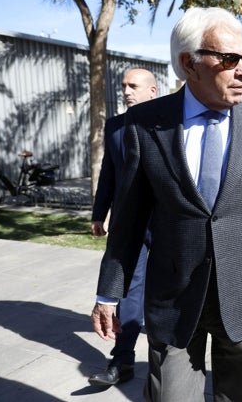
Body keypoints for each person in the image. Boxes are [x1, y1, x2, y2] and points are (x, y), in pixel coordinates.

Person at [90, 7, 242, 401]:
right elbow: (130, 219)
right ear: (190, 64)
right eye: (229, 59)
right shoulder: (145, 123)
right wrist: (108, 293)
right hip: (173, 296)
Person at [88, 68, 157, 386]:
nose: (127, 91)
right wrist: (99, 213)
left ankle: (168, 361)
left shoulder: (169, 123)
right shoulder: (115, 126)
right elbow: (108, 174)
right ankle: (123, 360)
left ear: (152, 91)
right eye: (124, 86)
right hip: (128, 226)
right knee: (129, 290)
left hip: (166, 224)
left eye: (134, 86)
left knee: (170, 293)